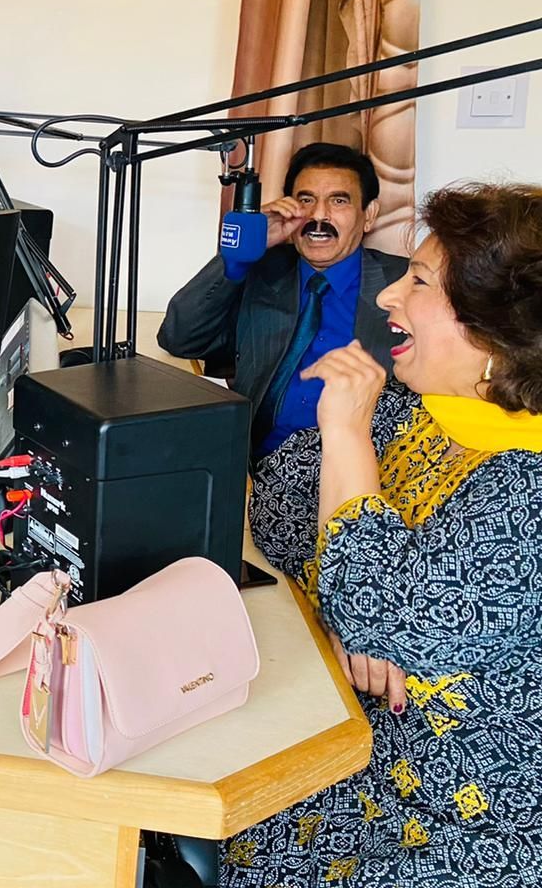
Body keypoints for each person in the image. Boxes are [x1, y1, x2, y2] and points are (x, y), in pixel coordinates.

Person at [225, 182, 542, 886]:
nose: (388, 297)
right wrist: (351, 608)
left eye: (421, 281)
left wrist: (347, 436)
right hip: (361, 756)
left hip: (456, 827)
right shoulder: (430, 406)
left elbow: (381, 611)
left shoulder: (529, 486)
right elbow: (278, 499)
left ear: (495, 326)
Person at [158, 142, 409, 457]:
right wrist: (239, 255)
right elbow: (179, 338)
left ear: (368, 215)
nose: (319, 215)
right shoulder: (261, 271)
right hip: (251, 467)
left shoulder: (405, 284)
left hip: (357, 472)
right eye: (306, 200)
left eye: (339, 200)